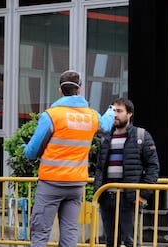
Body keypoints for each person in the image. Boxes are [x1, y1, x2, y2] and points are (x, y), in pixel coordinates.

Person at [23, 70, 115, 247]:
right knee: (70, 233)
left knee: (40, 232)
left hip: (51, 182)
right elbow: (105, 126)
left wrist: (25, 149)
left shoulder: (52, 115)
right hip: (76, 184)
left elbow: (31, 152)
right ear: (79, 90)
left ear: (60, 90)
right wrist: (111, 111)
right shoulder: (91, 115)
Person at [93, 97, 160, 247]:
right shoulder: (105, 137)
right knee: (110, 241)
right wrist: (98, 190)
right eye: (113, 110)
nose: (115, 114)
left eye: (119, 111)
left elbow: (153, 167)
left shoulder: (142, 135)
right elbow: (99, 167)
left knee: (130, 240)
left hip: (129, 197)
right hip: (107, 196)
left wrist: (143, 195)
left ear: (129, 114)